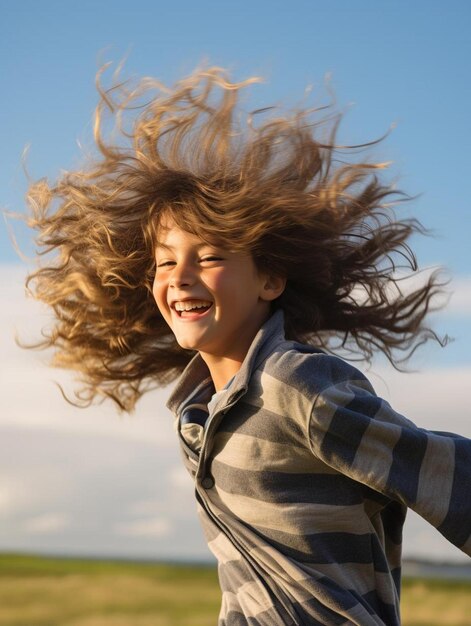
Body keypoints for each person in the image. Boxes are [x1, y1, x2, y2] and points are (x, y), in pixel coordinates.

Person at [25, 65, 470, 625]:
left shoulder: (295, 383)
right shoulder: (197, 416)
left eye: (209, 257)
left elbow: (444, 474)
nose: (180, 276)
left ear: (270, 280)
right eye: (166, 262)